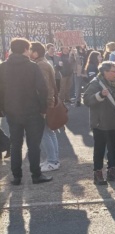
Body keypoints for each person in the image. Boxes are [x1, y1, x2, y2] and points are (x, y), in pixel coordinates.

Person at [0, 38, 52, 185]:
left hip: (12, 111)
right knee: (33, 145)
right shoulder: (32, 66)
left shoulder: (3, 67)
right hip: (32, 111)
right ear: (24, 49)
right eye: (28, 49)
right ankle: (36, 174)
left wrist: (2, 108)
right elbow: (42, 89)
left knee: (15, 145)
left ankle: (16, 176)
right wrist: (43, 108)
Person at [83, 61, 115, 185]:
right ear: (105, 72)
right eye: (113, 71)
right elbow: (86, 100)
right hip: (100, 122)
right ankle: (98, 174)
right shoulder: (96, 83)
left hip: (114, 121)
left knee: (114, 148)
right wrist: (100, 95)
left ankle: (111, 171)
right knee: (99, 149)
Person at [30, 42, 60, 172]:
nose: (30, 53)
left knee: (45, 133)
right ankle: (53, 159)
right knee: (49, 132)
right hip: (50, 102)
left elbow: (45, 87)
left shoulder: (40, 65)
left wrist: (45, 105)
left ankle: (52, 160)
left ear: (36, 52)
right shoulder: (45, 63)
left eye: (31, 50)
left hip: (46, 103)